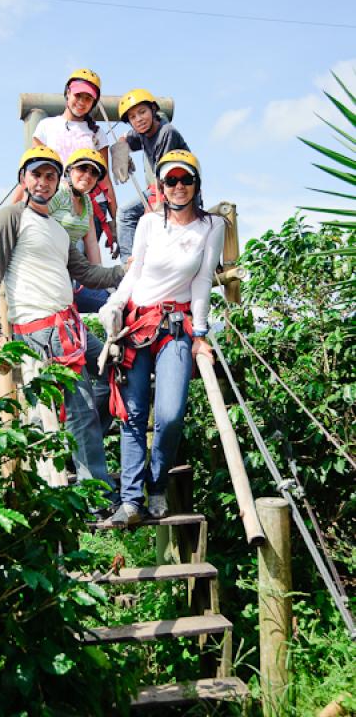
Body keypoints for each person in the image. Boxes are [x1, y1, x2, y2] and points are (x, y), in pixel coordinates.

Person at [0, 145, 124, 508]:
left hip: (69, 327)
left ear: (57, 181)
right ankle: (96, 497)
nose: (43, 182)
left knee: (112, 371)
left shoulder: (57, 229)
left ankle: (89, 476)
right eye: (36, 174)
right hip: (41, 330)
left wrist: (131, 269)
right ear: (23, 179)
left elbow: (88, 274)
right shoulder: (11, 217)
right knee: (77, 411)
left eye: (50, 176)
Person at [98, 150, 225, 527]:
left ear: (196, 184)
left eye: (186, 179)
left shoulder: (212, 227)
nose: (179, 186)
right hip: (137, 324)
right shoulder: (150, 224)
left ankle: (157, 486)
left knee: (169, 416)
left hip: (174, 327)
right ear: (161, 187)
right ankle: (131, 500)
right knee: (133, 414)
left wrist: (200, 333)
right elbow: (135, 273)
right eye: (171, 180)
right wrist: (116, 302)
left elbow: (202, 281)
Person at [13, 68, 118, 255]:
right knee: (53, 256)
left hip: (88, 204)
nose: (82, 102)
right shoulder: (47, 126)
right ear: (68, 93)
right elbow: (32, 169)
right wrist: (13, 208)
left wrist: (115, 220)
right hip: (54, 199)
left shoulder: (97, 134)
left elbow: (104, 179)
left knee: (83, 262)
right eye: (78, 95)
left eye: (88, 98)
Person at [110, 88, 190, 263]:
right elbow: (124, 138)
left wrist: (151, 209)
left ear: (153, 110)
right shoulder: (141, 133)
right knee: (125, 212)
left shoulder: (166, 132)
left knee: (154, 224)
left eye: (142, 112)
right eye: (132, 117)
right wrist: (121, 152)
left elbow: (165, 177)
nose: (138, 119)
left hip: (179, 190)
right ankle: (128, 265)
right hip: (158, 189)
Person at [49, 147, 111, 313]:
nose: (88, 176)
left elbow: (91, 242)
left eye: (94, 173)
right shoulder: (59, 193)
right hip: (48, 270)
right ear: (70, 170)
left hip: (68, 271)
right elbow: (34, 221)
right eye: (82, 168)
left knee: (108, 302)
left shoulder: (86, 202)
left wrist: (101, 277)